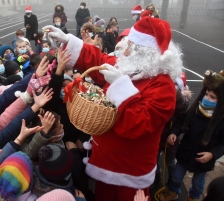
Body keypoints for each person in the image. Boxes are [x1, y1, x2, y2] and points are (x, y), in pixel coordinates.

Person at [43, 15, 184, 200]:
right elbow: (99, 60)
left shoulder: (163, 87)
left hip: (131, 171)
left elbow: (140, 123)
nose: (124, 52)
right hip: (104, 162)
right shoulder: (132, 65)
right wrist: (68, 40)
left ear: (147, 54)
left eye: (131, 48)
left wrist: (120, 87)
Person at [160, 70, 224, 201]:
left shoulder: (221, 120)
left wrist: (212, 154)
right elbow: (182, 121)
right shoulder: (197, 109)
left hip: (203, 159)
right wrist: (174, 133)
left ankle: (193, 197)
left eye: (213, 97)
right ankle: (173, 191)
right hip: (185, 152)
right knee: (176, 176)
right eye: (206, 94)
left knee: (198, 182)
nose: (207, 99)